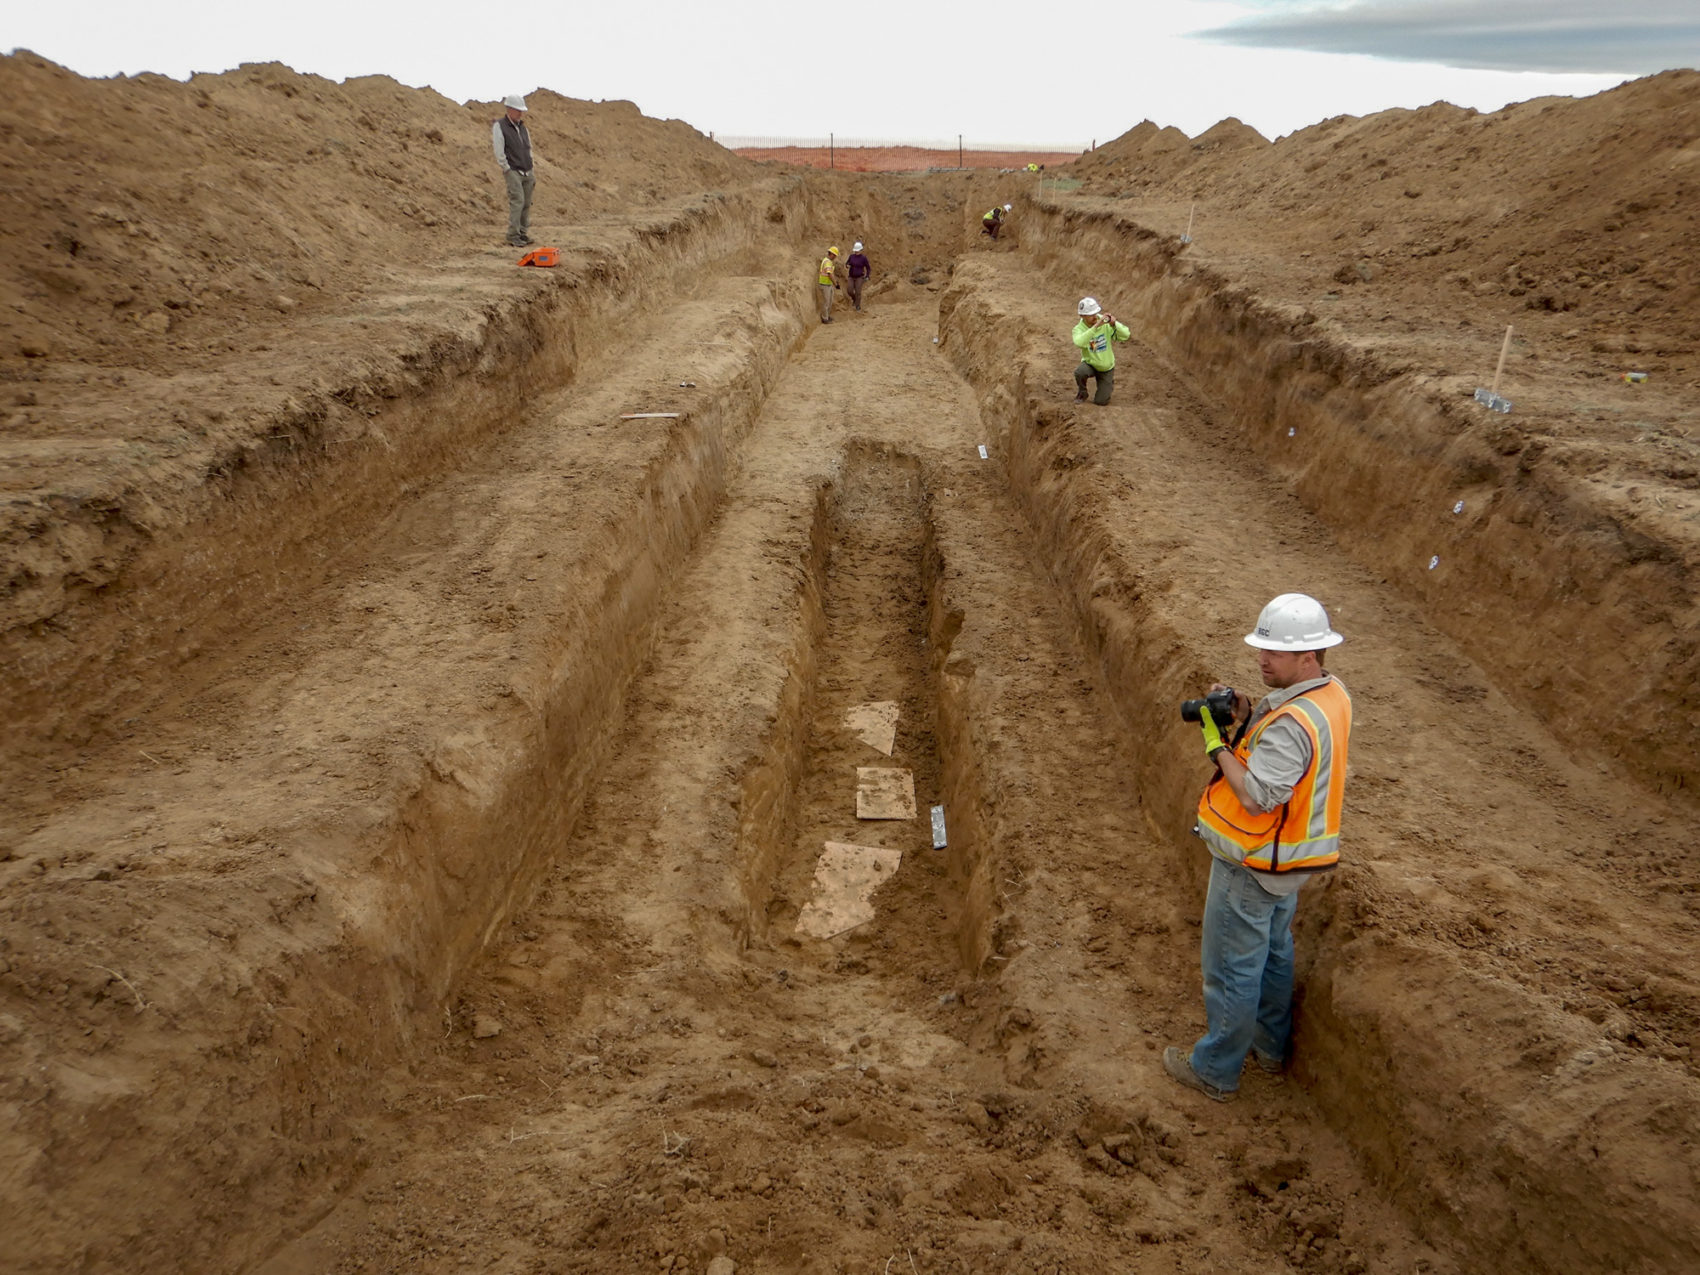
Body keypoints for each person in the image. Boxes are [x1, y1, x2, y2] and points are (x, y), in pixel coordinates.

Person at [1163, 593, 1354, 1103]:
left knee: (1231, 968)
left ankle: (1214, 1070)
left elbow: (1258, 796)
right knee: (1273, 954)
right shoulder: (1329, 695)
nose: (1261, 660)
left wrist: (1217, 746)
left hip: (1252, 862)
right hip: (1288, 861)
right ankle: (1269, 1048)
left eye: (1274, 654)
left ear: (1308, 656)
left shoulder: (1293, 726)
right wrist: (1247, 713)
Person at [492, 94, 536, 248]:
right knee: (517, 202)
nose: (520, 113)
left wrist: (531, 166)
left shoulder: (523, 128)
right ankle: (512, 235)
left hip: (527, 170)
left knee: (526, 203)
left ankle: (522, 233)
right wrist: (506, 168)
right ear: (509, 109)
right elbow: (499, 150)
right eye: (518, 110)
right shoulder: (500, 126)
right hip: (513, 171)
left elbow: (528, 147)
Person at [1072, 298, 1130, 405]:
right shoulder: (1078, 329)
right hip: (1091, 364)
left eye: (1095, 313)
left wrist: (1114, 324)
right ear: (1082, 316)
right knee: (1079, 372)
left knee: (1101, 401)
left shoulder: (1105, 323)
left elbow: (1126, 335)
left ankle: (1106, 384)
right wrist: (1096, 326)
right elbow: (1079, 342)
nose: (1095, 316)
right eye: (1090, 315)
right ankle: (1082, 392)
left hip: (1106, 367)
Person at [817, 246, 843, 323]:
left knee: (830, 301)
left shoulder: (828, 261)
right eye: (834, 255)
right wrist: (836, 284)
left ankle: (827, 316)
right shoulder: (827, 262)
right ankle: (825, 318)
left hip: (828, 284)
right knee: (826, 302)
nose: (835, 257)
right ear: (831, 254)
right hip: (825, 284)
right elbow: (830, 274)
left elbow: (831, 273)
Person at [846, 242, 871, 311]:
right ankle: (854, 299)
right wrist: (847, 265)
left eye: (858, 250)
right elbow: (847, 263)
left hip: (859, 277)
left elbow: (868, 268)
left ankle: (858, 306)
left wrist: (867, 276)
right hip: (851, 276)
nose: (856, 252)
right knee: (849, 290)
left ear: (861, 250)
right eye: (855, 251)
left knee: (858, 292)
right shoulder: (851, 256)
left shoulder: (863, 258)